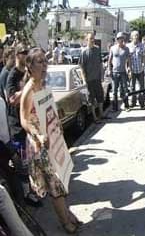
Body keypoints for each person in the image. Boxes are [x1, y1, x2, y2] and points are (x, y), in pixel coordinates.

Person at [20, 48, 81, 233]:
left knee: (61, 179)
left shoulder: (44, 85)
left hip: (55, 139)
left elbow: (49, 108)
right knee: (55, 184)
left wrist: (58, 121)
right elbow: (24, 119)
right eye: (39, 62)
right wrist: (37, 134)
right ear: (29, 66)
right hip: (41, 146)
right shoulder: (28, 90)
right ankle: (65, 222)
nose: (44, 65)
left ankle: (67, 213)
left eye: (45, 61)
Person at [5, 44, 41, 208]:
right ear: (16, 55)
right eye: (23, 52)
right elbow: (11, 99)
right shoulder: (12, 75)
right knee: (23, 163)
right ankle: (26, 194)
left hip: (30, 121)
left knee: (32, 160)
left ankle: (34, 190)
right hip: (17, 125)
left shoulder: (27, 72)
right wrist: (26, 91)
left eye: (27, 52)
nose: (26, 54)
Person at [79, 32, 106, 123]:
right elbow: (82, 68)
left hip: (97, 79)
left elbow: (100, 63)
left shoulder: (97, 49)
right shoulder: (84, 52)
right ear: (87, 40)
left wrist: (102, 75)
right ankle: (95, 117)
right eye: (90, 38)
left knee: (100, 97)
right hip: (89, 80)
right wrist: (84, 80)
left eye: (93, 38)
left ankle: (101, 114)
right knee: (91, 99)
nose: (92, 40)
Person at [108, 32, 130, 111]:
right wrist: (109, 69)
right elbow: (109, 60)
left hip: (123, 72)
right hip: (114, 72)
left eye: (122, 38)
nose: (121, 40)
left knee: (124, 89)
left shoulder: (126, 49)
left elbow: (128, 60)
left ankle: (126, 105)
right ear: (117, 40)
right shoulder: (113, 48)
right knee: (114, 91)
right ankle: (115, 108)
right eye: (119, 38)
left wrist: (129, 69)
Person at [127, 30, 145, 109]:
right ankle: (133, 102)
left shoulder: (141, 45)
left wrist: (143, 65)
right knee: (132, 87)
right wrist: (128, 68)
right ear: (131, 37)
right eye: (135, 35)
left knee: (142, 87)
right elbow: (127, 59)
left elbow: (144, 56)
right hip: (132, 70)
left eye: (137, 35)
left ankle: (142, 103)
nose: (136, 37)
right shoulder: (128, 46)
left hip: (140, 70)